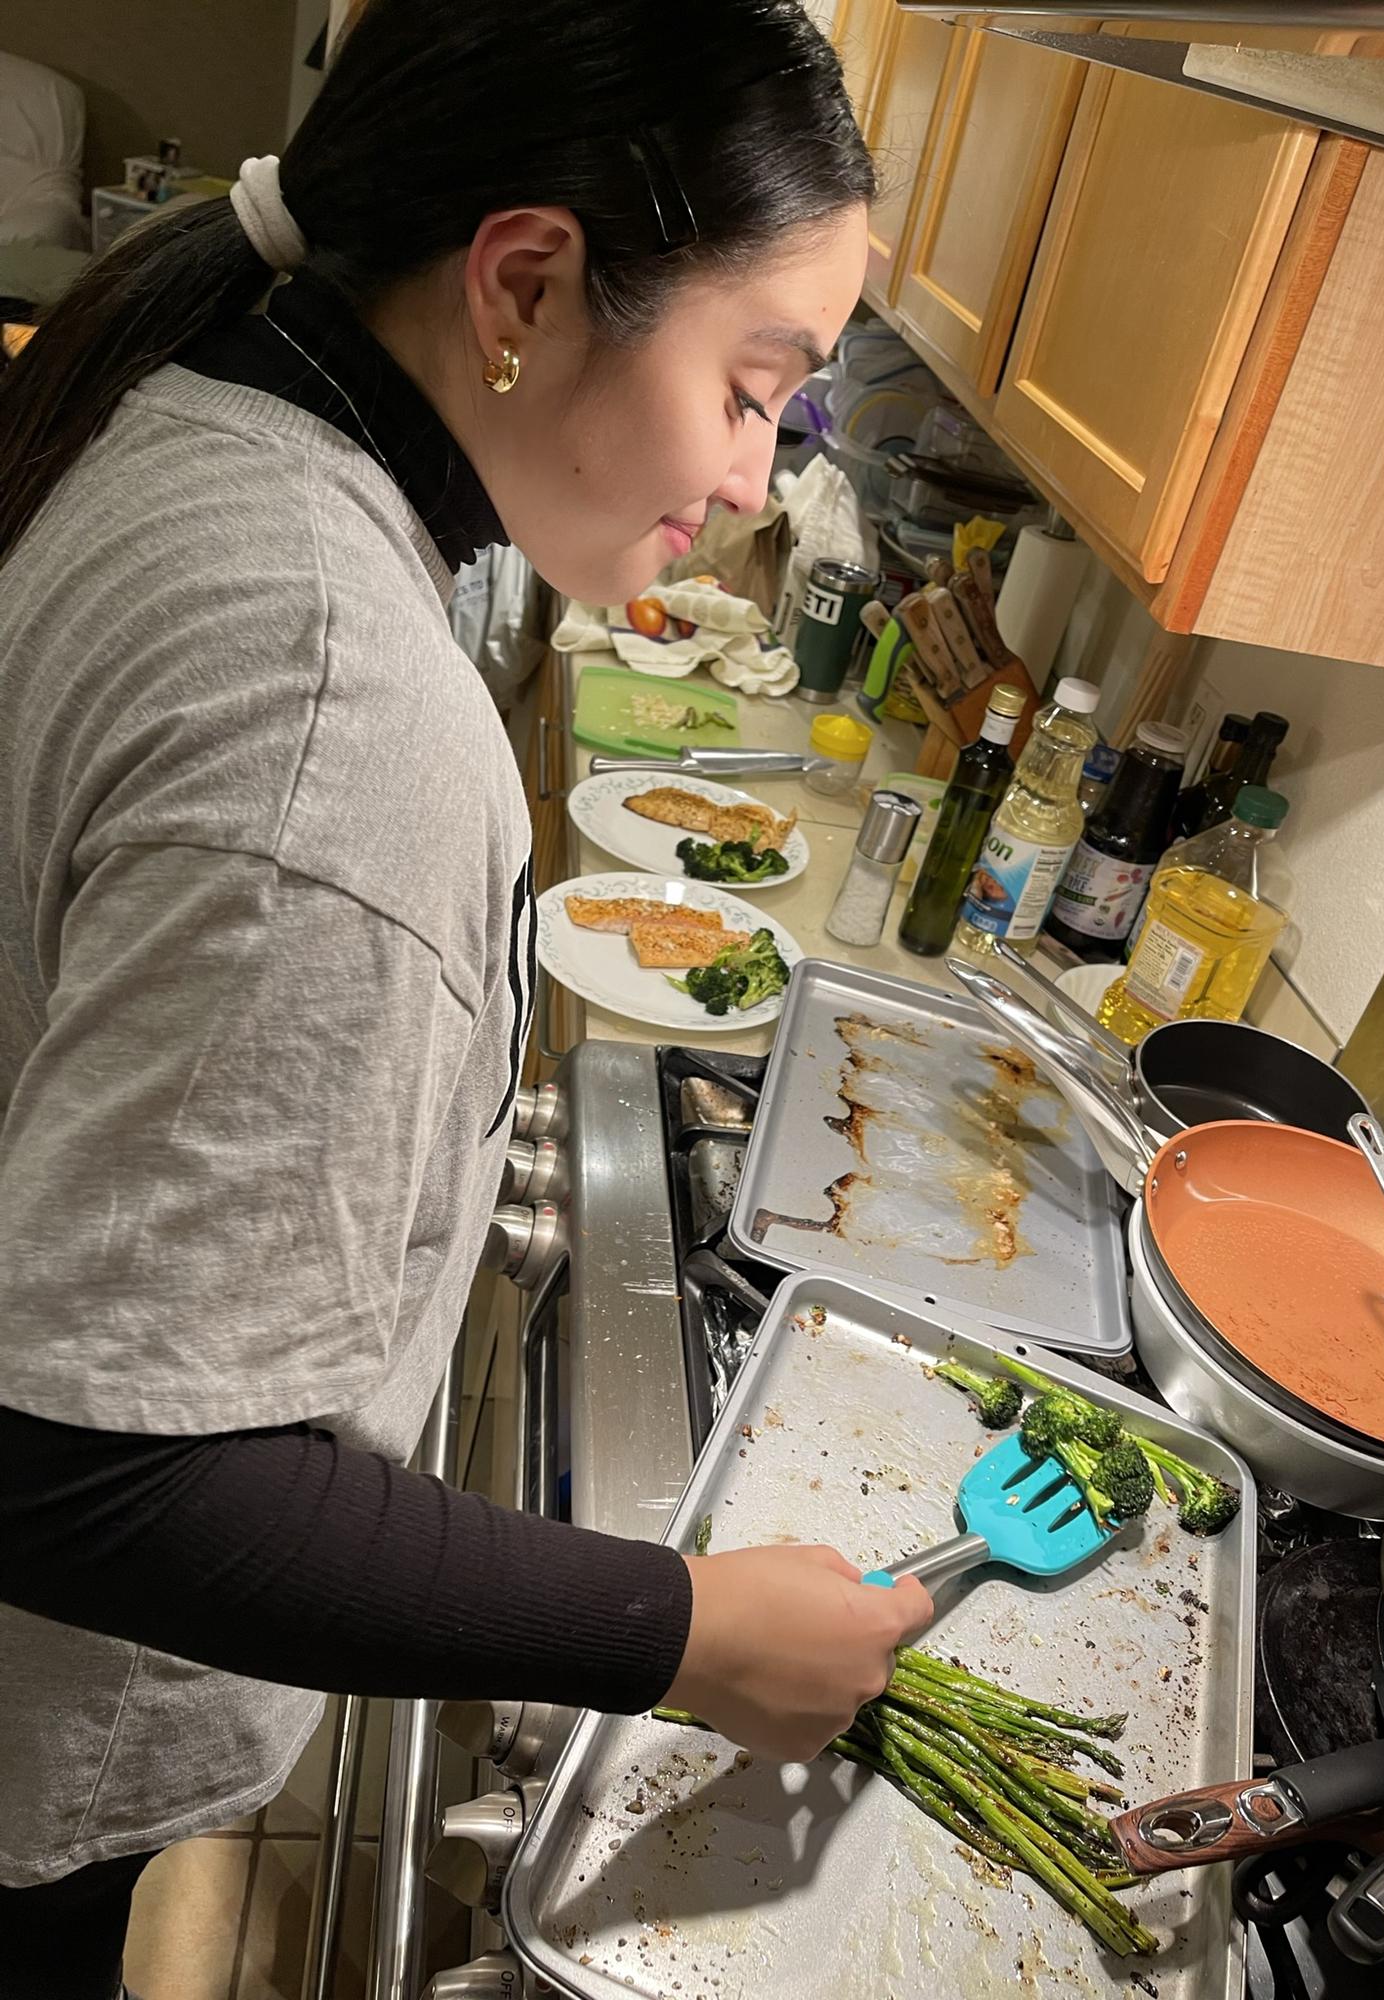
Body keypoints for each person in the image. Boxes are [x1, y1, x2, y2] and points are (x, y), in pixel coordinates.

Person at [0, 3, 932, 1992]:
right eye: (752, 388)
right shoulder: (337, 709)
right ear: (524, 286)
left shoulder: (209, 423)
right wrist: (687, 1628)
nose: (754, 477)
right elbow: (94, 1474)